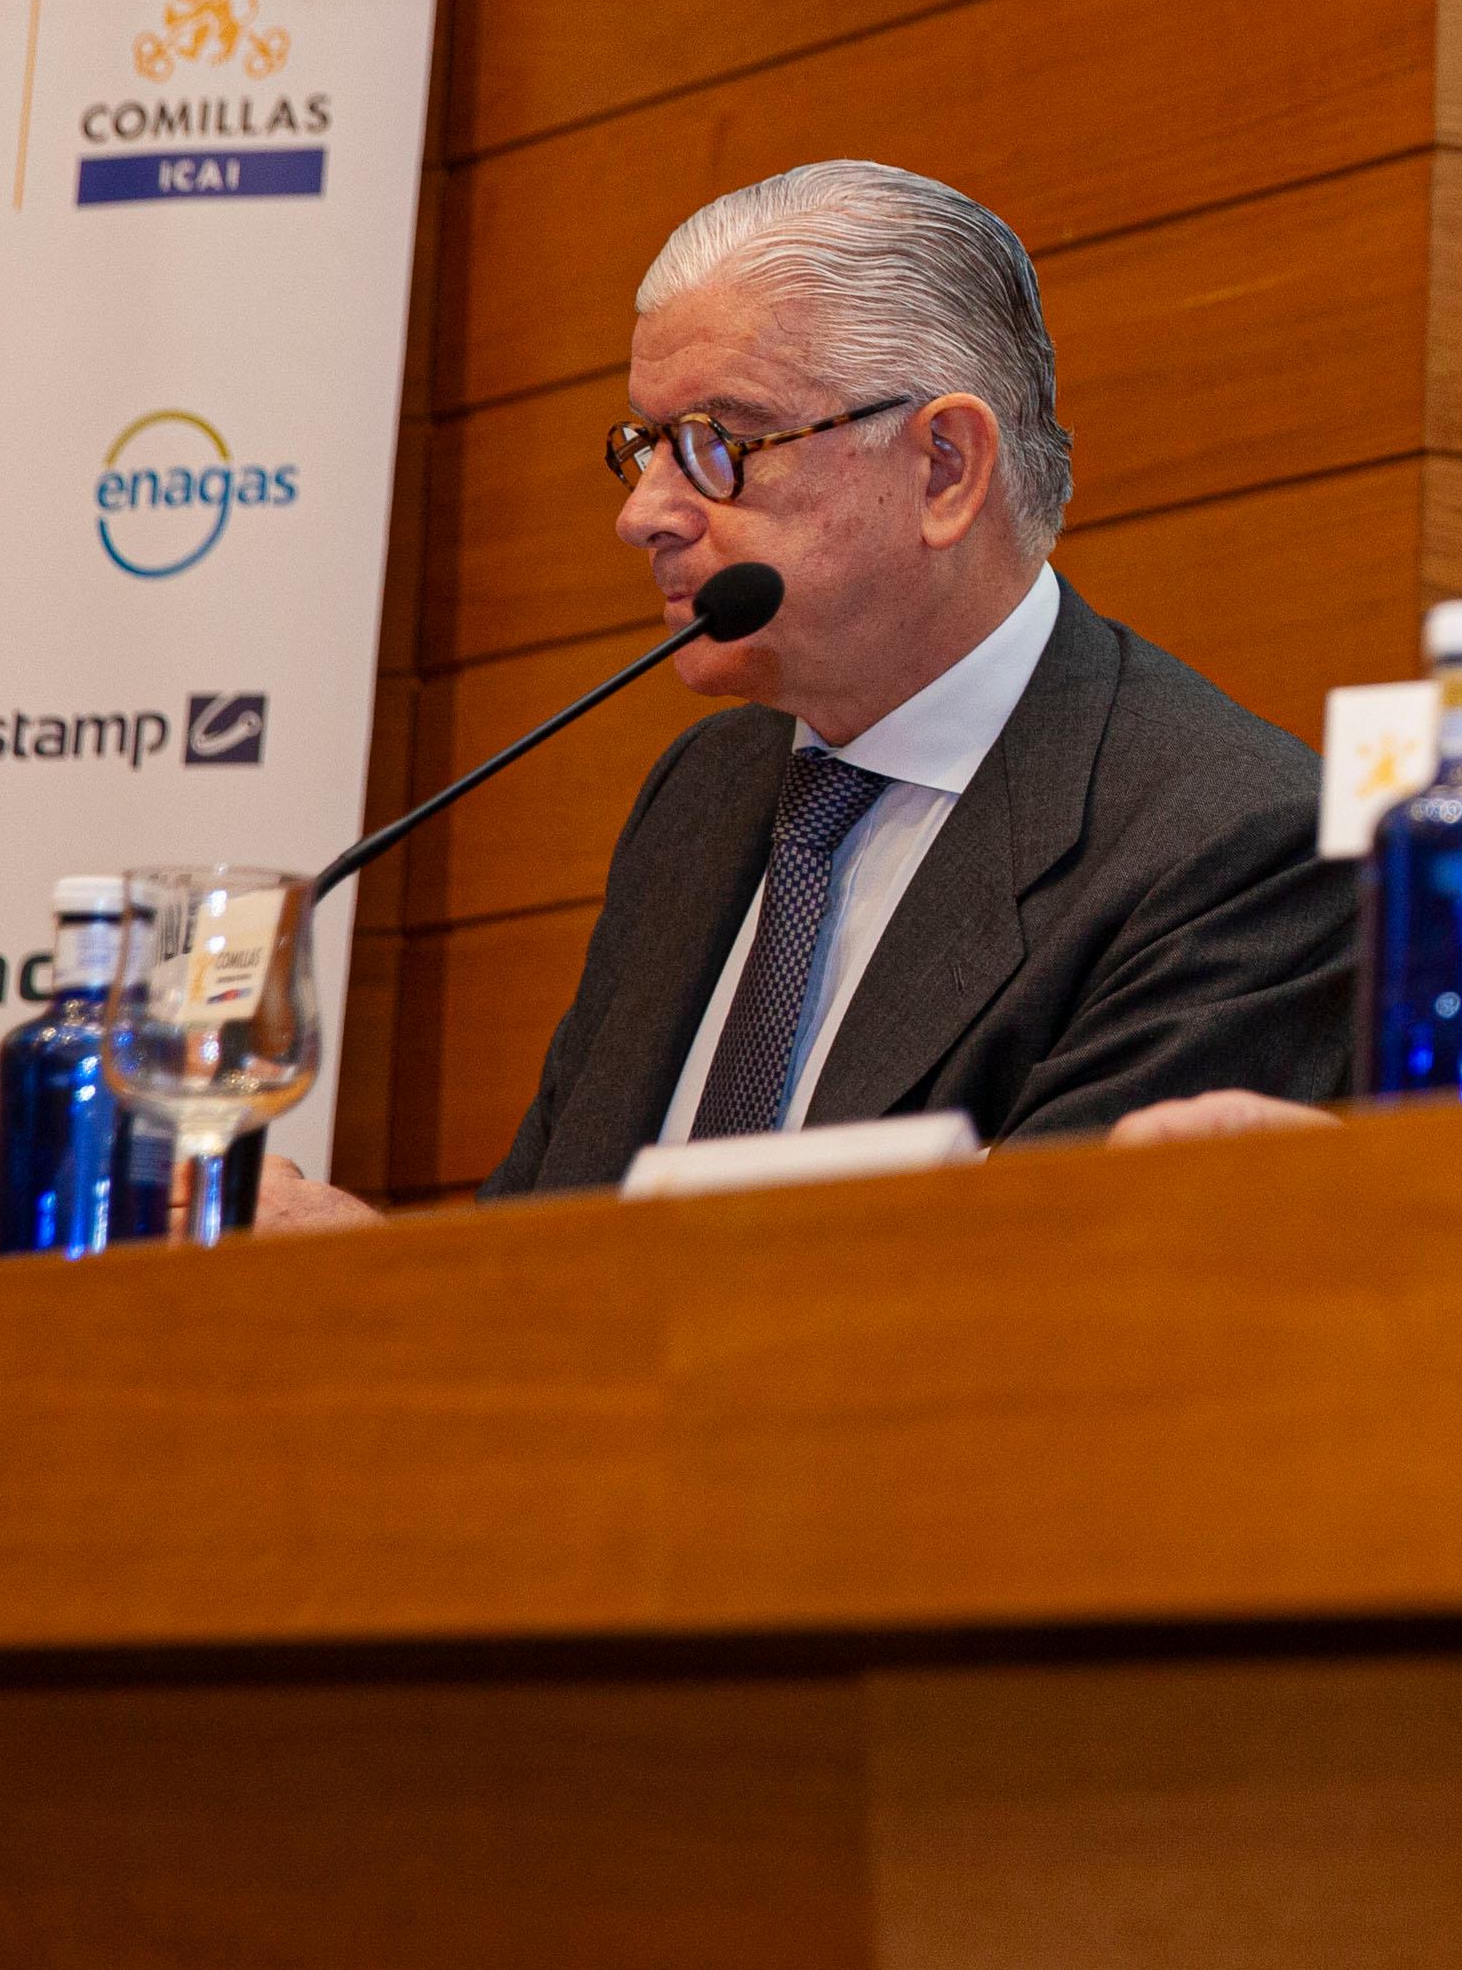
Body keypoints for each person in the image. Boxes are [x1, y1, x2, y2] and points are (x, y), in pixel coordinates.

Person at [259, 162, 1354, 1221]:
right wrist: (372, 1281)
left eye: (719, 443)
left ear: (943, 470)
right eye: (647, 444)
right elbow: (557, 1253)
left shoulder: (1232, 846)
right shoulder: (705, 795)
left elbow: (1053, 1316)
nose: (642, 515)